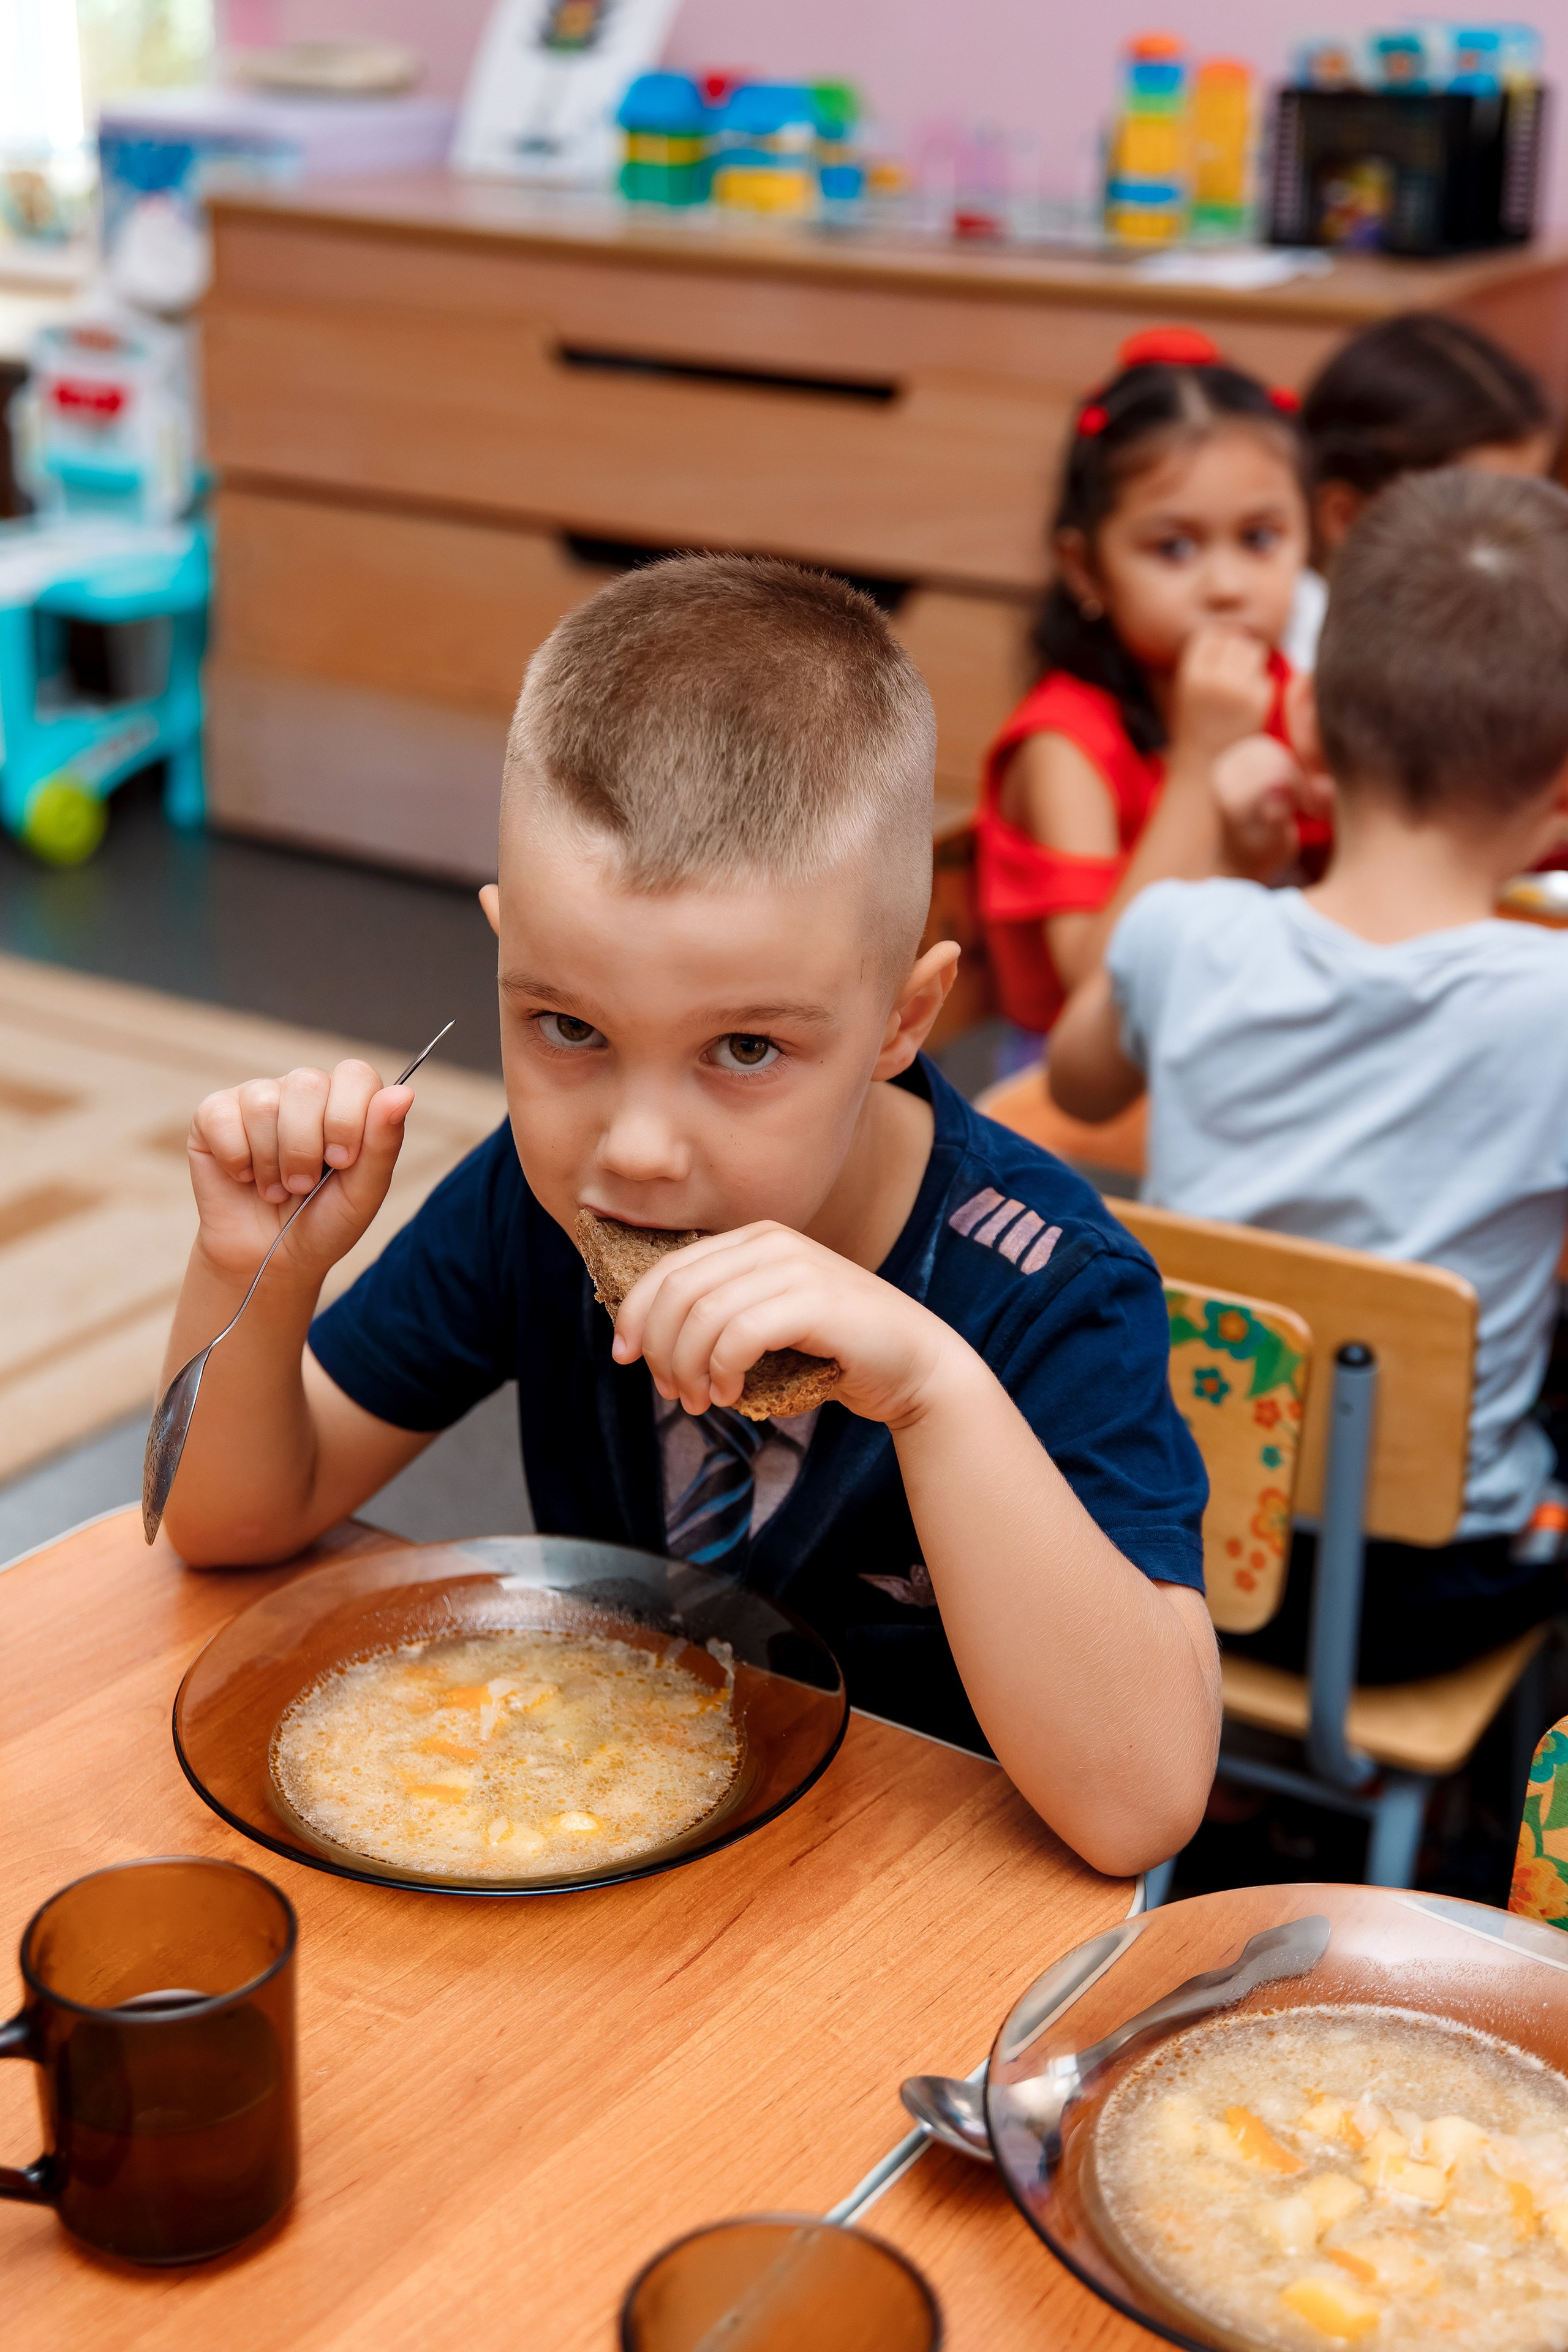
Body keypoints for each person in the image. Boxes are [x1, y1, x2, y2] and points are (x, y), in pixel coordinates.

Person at [158, 554, 1219, 1877]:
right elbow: (231, 1521)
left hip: (910, 1912)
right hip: (607, 1834)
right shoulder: (530, 1200)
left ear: (901, 1015)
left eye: (745, 1050)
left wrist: (933, 1392)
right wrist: (250, 1279)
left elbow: (1141, 1807)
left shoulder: (1045, 1279)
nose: (638, 1150)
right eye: (567, 1028)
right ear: (503, 953)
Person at [1049, 470, 1568, 1684]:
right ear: (1558, 793)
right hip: (1427, 1597)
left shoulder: (1182, 935)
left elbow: (1075, 1084)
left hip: (1167, 1545)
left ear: (1308, 723)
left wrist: (1229, 861)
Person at [974, 325, 1310, 1039]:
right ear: (1085, 569)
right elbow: (1095, 988)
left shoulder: (1291, 691)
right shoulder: (1063, 745)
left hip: (1243, 1042)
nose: (1226, 587)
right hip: (1081, 1096)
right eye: (1174, 548)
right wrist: (1199, 762)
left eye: (1259, 538)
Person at [1283, 311, 1556, 673]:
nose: (1529, 543)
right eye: (1486, 521)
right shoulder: (1303, 661)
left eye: (1537, 503)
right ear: (1347, 518)